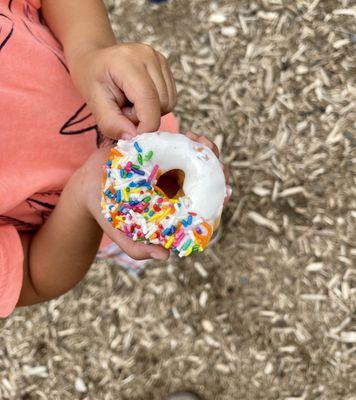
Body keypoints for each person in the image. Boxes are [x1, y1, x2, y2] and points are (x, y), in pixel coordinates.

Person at [0, 0, 229, 320]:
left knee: (174, 154)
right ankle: (119, 249)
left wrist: (89, 50)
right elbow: (33, 276)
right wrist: (81, 200)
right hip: (88, 218)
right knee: (134, 239)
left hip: (140, 123)